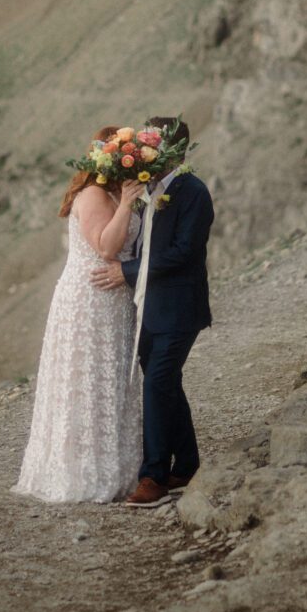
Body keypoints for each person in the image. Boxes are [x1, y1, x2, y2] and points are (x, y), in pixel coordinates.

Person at [10, 127, 145, 503]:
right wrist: (126, 206)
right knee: (86, 381)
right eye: (124, 155)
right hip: (90, 300)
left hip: (115, 300)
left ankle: (118, 465)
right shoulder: (94, 195)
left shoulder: (118, 193)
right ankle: (81, 474)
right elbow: (105, 247)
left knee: (112, 380)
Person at [91, 116, 214, 508]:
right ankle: (188, 463)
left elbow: (183, 252)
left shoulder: (193, 191)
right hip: (149, 309)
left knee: (157, 383)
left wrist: (125, 272)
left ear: (173, 150)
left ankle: (154, 477)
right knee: (165, 383)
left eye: (151, 142)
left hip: (179, 308)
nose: (144, 149)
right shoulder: (146, 187)